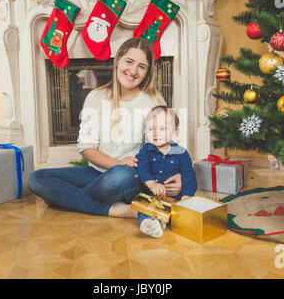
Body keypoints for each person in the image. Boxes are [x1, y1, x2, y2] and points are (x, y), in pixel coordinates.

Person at [28, 37, 183, 218]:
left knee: (120, 176)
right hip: (97, 173)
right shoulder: (96, 97)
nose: (133, 71)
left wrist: (177, 176)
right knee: (37, 179)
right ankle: (116, 210)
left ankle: (67, 197)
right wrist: (117, 163)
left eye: (142, 66)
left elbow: (166, 149)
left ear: (147, 72)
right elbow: (86, 148)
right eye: (129, 62)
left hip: (129, 176)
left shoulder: (153, 102)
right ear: (117, 61)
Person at [135, 106, 198, 238]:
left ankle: (166, 219)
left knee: (183, 212)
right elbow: (142, 168)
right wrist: (152, 184)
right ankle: (150, 223)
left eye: (162, 129)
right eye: (151, 129)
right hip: (153, 195)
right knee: (145, 209)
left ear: (175, 131)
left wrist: (187, 195)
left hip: (174, 197)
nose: (156, 134)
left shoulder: (181, 152)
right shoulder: (145, 151)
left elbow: (188, 174)